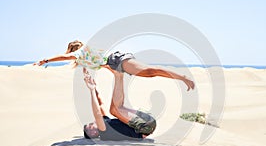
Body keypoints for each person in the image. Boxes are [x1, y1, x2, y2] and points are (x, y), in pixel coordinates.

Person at [33, 40, 195, 91]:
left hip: (118, 60)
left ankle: (182, 77)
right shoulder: (86, 57)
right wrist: (117, 75)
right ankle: (180, 77)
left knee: (150, 71)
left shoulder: (80, 52)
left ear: (73, 49)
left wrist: (45, 61)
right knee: (149, 74)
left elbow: (64, 56)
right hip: (117, 62)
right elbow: (104, 65)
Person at [83, 68, 156, 140]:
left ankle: (118, 74)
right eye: (90, 126)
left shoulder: (106, 122)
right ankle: (118, 74)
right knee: (114, 110)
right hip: (145, 127)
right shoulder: (103, 133)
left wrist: (93, 86)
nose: (92, 122)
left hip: (146, 122)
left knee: (115, 110)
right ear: (93, 133)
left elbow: (100, 104)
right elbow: (97, 114)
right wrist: (91, 90)